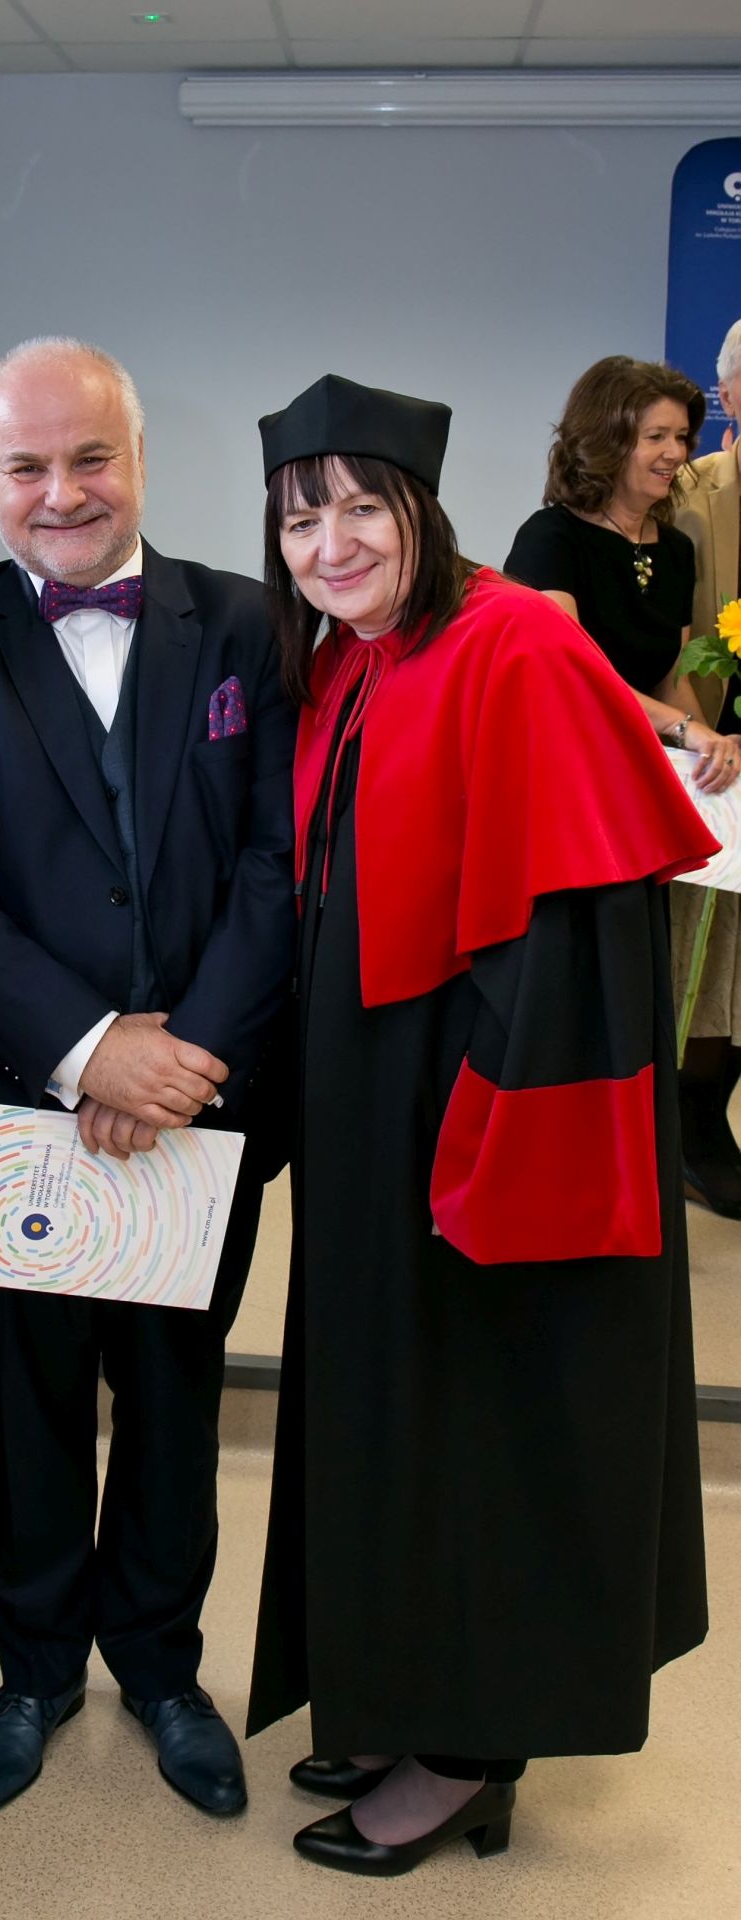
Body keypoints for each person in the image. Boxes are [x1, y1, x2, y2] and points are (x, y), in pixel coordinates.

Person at [247, 374, 716, 1878]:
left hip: (482, 1112)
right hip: (374, 1110)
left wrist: (497, 1131)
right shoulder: (351, 656)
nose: (329, 543)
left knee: (484, 1414)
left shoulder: (517, 641)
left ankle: (466, 1753)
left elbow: (582, 933)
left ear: (420, 509)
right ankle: (399, 1691)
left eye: (358, 506)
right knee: (398, 1406)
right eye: (299, 518)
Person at [0, 337, 296, 1820]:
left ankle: (165, 1670)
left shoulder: (248, 623)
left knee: (176, 1403)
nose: (60, 492)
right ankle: (36, 1672)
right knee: (32, 1406)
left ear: (136, 458)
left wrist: (174, 1060)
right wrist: (85, 1050)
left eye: (88, 458)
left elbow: (276, 863)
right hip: (15, 1101)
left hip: (202, 1096)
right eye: (25, 467)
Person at [505, 355, 741, 1215]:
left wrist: (707, 753)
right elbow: (577, 675)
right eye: (656, 436)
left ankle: (665, 1138)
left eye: (683, 435)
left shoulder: (672, 549)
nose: (676, 453)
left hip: (645, 775)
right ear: (607, 439)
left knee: (660, 968)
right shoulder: (550, 538)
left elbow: (674, 673)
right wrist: (684, 728)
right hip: (569, 789)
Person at [672, 319, 741, 1214]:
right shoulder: (686, 490)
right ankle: (693, 1123)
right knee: (709, 953)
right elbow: (666, 639)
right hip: (711, 756)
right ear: (727, 395)